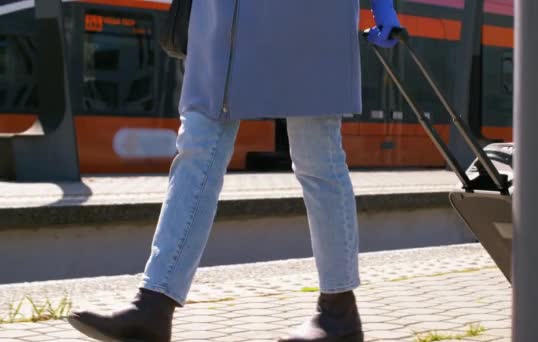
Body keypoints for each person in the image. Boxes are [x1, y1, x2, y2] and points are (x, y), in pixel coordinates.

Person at [67, 0, 402, 341]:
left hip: (308, 13)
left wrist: (382, 6)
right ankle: (153, 305)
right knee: (197, 148)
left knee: (317, 155)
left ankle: (339, 312)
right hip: (222, 11)